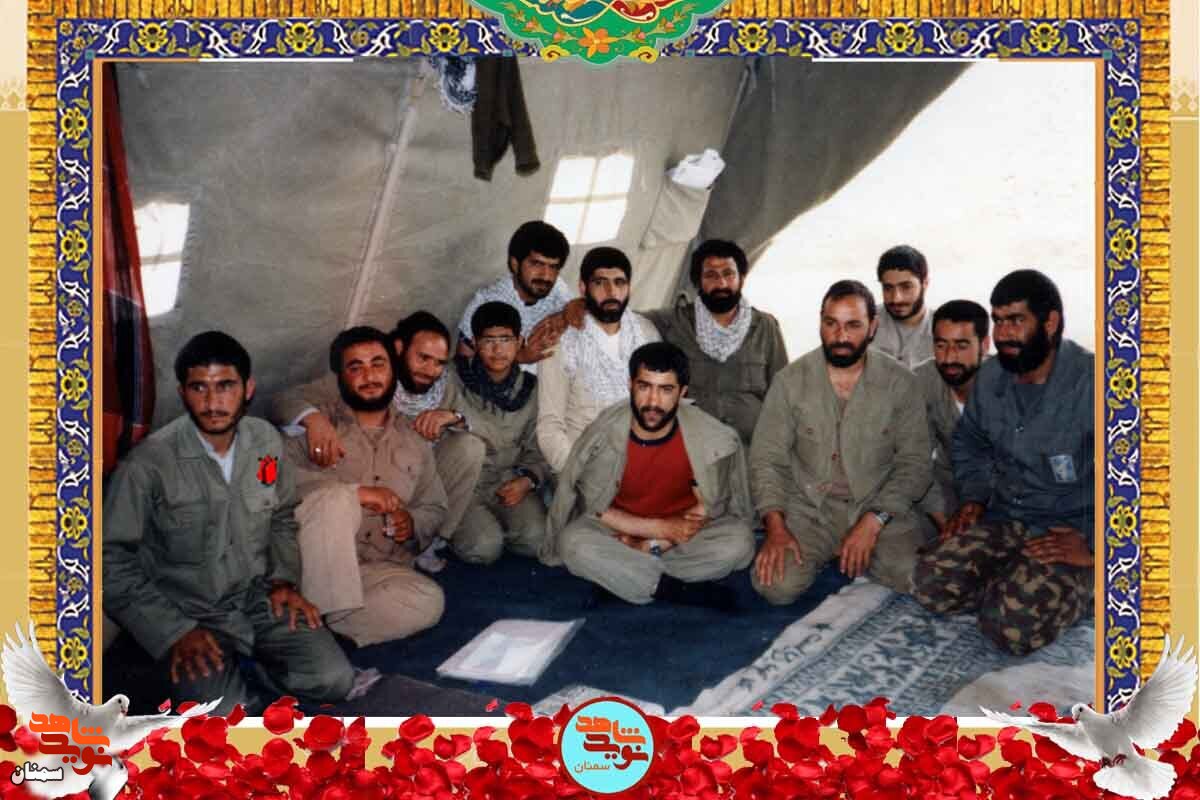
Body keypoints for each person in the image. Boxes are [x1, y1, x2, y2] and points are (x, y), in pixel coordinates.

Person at [103, 331, 356, 714]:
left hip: (253, 598)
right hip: (184, 610)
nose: (212, 402)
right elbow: (109, 560)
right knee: (226, 715)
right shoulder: (148, 464)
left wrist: (283, 581)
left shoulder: (265, 442)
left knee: (334, 679)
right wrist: (172, 630)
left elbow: (282, 517)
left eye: (225, 386)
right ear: (182, 392)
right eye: (199, 388)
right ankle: (167, 666)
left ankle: (249, 668)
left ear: (247, 388)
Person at [912, 270, 1094, 655]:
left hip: (1070, 530)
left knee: (1010, 629)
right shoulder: (994, 375)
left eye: (1016, 320)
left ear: (1050, 323)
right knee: (930, 583)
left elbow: (1144, 480)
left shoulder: (1096, 384)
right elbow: (970, 443)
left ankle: (1094, 584)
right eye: (998, 321)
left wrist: (1095, 547)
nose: (1004, 334)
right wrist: (974, 499)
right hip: (1008, 517)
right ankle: (1019, 580)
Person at [750, 280, 932, 605]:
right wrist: (776, 528)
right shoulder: (790, 381)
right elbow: (767, 459)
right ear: (820, 322)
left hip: (877, 504)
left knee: (917, 577)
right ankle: (839, 551)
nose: (841, 336)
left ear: (873, 326)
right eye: (831, 323)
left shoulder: (901, 383)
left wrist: (873, 522)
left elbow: (915, 463)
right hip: (810, 509)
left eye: (853, 325)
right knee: (774, 585)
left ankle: (863, 549)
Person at [542, 342, 754, 609]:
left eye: (666, 390)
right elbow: (596, 508)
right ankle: (676, 589)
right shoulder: (603, 434)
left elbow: (709, 505)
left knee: (739, 542)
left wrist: (651, 545)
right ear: (630, 385)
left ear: (682, 393)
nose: (653, 402)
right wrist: (658, 529)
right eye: (644, 387)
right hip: (619, 528)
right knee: (573, 543)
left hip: (679, 533)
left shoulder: (709, 436)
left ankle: (624, 577)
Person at [269, 312, 487, 569]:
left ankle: (429, 543)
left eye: (439, 362)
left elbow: (485, 427)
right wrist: (313, 419)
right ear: (399, 349)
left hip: (415, 466)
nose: (430, 370)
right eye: (423, 358)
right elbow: (282, 399)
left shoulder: (444, 385)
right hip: (362, 469)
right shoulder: (355, 378)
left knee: (470, 448)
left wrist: (454, 416)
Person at [285, 326, 447, 647]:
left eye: (378, 364)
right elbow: (270, 476)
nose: (369, 376)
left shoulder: (415, 441)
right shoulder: (319, 428)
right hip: (314, 565)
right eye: (355, 367)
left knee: (429, 600)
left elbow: (435, 506)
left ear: (393, 370)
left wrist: (411, 523)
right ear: (340, 378)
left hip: (375, 569)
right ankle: (319, 626)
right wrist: (355, 494)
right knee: (335, 498)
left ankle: (319, 625)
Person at [564, 239, 787, 446]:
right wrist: (579, 305)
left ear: (742, 278)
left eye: (728, 274)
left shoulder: (765, 328)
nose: (721, 282)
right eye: (710, 275)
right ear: (698, 281)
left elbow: (782, 396)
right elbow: (619, 314)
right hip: (692, 449)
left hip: (750, 448)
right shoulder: (674, 322)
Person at [537, 246, 660, 474]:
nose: (611, 291)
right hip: (581, 464)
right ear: (583, 288)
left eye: (619, 282)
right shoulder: (561, 342)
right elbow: (549, 426)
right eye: (600, 282)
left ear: (629, 287)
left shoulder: (646, 333)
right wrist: (578, 475)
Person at [449, 301, 549, 564]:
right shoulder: (453, 379)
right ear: (474, 343)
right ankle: (465, 527)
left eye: (505, 340)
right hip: (465, 485)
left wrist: (527, 480)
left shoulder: (531, 389)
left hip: (506, 480)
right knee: (483, 547)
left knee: (536, 540)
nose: (497, 350)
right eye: (488, 340)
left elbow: (538, 447)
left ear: (520, 342)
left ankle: (497, 526)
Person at [913, 300, 991, 531]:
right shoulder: (922, 380)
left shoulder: (1008, 382)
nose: (948, 358)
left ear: (984, 345)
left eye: (961, 346)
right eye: (941, 345)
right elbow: (916, 459)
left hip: (1003, 492)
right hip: (945, 486)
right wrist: (944, 521)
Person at [457, 220, 573, 374]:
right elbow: (462, 368)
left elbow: (588, 310)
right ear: (515, 264)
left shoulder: (559, 288)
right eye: (536, 264)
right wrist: (519, 357)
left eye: (553, 267)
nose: (546, 276)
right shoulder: (486, 302)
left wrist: (567, 313)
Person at [872, 244, 934, 368]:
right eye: (888, 288)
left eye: (906, 287)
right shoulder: (865, 322)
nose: (896, 298)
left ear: (925, 284)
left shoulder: (943, 329)